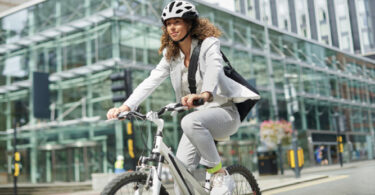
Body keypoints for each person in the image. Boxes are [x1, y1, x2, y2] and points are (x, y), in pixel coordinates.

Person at [106, 1, 260, 194]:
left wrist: (205, 94)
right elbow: (151, 80)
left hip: (224, 114)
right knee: (180, 176)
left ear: (190, 24)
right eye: (168, 23)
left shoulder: (209, 44)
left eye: (177, 22)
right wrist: (125, 107)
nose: (172, 27)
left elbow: (214, 67)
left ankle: (219, 174)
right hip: (197, 121)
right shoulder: (171, 56)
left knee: (189, 121)